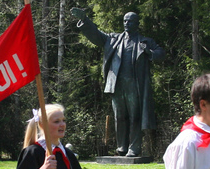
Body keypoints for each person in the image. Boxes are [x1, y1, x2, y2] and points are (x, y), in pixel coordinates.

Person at [71, 9, 165, 157]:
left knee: (135, 116)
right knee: (119, 116)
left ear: (137, 24)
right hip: (116, 84)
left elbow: (161, 54)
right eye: (125, 20)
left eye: (130, 21)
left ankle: (134, 148)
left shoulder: (145, 41)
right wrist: (85, 20)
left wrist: (150, 53)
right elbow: (96, 35)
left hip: (135, 84)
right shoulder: (113, 39)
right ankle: (122, 147)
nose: (127, 23)